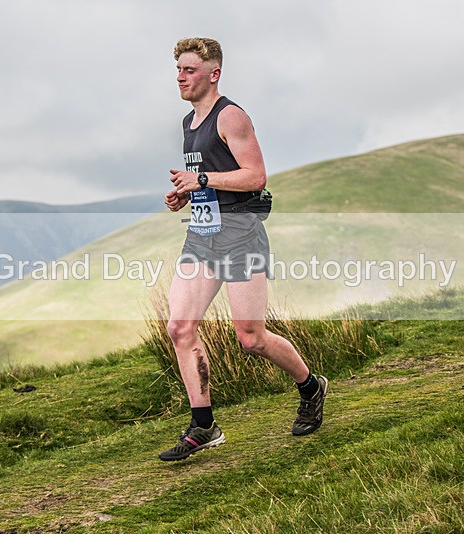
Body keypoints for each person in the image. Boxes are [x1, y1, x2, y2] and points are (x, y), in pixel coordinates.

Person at [158, 37, 328, 462]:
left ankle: (310, 386)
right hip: (202, 233)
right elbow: (211, 180)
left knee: (250, 338)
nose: (180, 76)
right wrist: (188, 195)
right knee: (180, 327)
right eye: (178, 68)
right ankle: (204, 424)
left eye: (190, 69)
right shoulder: (188, 122)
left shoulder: (230, 116)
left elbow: (255, 176)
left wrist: (203, 181)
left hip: (241, 235)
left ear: (213, 73)